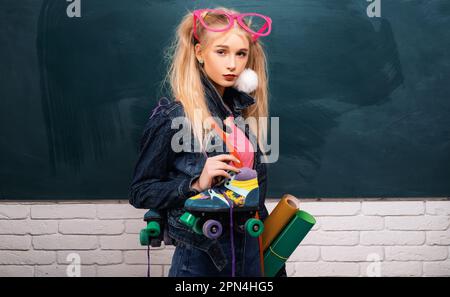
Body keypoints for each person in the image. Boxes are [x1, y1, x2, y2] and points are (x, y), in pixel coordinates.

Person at [129, 6, 286, 277]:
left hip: (249, 252)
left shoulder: (242, 118)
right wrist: (196, 184)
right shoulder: (174, 117)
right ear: (200, 53)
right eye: (221, 51)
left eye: (241, 54)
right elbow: (141, 191)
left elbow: (256, 201)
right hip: (201, 258)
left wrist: (274, 267)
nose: (232, 64)